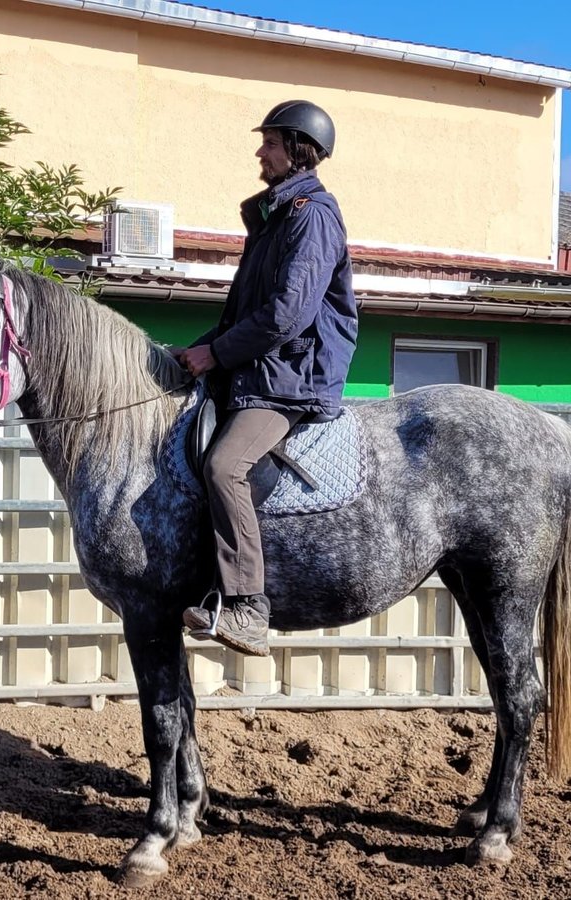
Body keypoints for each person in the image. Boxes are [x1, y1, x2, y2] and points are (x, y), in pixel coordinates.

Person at [175, 100, 358, 656]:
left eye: (271, 143)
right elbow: (244, 314)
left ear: (299, 151)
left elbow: (287, 315)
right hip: (258, 368)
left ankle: (249, 608)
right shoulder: (276, 218)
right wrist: (200, 349)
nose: (261, 151)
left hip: (289, 379)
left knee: (225, 465)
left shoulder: (311, 215)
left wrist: (217, 354)